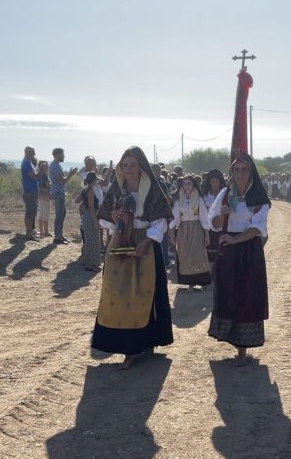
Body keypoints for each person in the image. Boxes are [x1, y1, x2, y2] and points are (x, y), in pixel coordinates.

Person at [91, 146, 174, 369]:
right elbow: (104, 220)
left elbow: (161, 222)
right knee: (117, 293)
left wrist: (146, 242)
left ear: (141, 167)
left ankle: (143, 343)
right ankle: (125, 346)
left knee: (144, 294)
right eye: (125, 165)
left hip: (146, 244)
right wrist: (115, 216)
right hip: (121, 242)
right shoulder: (117, 188)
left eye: (133, 165)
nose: (128, 169)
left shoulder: (153, 190)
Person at [206, 154, 270, 366]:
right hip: (229, 250)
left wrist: (234, 239)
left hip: (249, 250)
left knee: (247, 294)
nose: (240, 174)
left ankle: (243, 348)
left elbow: (256, 229)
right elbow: (213, 223)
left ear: (250, 172)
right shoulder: (225, 194)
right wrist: (221, 216)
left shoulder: (259, 197)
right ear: (231, 173)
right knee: (229, 292)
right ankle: (230, 337)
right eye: (236, 170)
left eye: (244, 169)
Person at [170, 174, 211, 290]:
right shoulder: (179, 199)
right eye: (185, 184)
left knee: (197, 254)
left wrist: (207, 234)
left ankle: (201, 280)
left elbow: (204, 217)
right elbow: (175, 217)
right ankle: (189, 282)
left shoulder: (198, 199)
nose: (187, 186)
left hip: (196, 228)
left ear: (193, 185)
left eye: (189, 183)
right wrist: (171, 233)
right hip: (183, 230)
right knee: (185, 255)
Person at [49, 148, 78, 244]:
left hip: (59, 192)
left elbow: (61, 179)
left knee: (62, 213)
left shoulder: (56, 165)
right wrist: (71, 174)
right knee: (59, 214)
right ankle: (57, 237)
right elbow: (62, 181)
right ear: (57, 155)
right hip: (58, 192)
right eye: (62, 154)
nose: (64, 156)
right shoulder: (55, 166)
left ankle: (59, 235)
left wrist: (68, 174)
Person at [20, 146, 47, 241]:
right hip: (30, 191)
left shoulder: (29, 163)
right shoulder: (26, 164)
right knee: (29, 213)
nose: (34, 155)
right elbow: (34, 177)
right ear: (27, 152)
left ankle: (30, 232)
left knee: (32, 213)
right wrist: (42, 171)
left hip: (32, 191)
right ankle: (28, 233)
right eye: (32, 153)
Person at [202, 169, 226, 267]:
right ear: (209, 182)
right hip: (208, 226)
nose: (214, 184)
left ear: (220, 182)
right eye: (212, 182)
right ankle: (210, 270)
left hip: (221, 225)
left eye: (216, 182)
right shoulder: (205, 195)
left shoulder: (224, 194)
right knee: (209, 247)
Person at [79, 172, 102, 271]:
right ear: (93, 181)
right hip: (91, 216)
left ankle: (87, 262)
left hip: (86, 216)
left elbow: (78, 202)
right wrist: (96, 222)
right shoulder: (91, 192)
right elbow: (92, 207)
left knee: (88, 240)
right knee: (93, 240)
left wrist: (83, 210)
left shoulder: (84, 190)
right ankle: (91, 265)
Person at [37, 161, 52, 238]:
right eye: (47, 167)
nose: (48, 168)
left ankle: (41, 231)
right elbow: (47, 185)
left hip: (39, 196)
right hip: (45, 196)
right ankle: (46, 232)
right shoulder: (45, 175)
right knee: (45, 214)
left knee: (41, 214)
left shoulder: (38, 174)